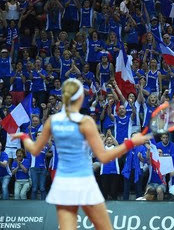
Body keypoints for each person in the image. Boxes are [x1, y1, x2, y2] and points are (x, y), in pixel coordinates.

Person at [11, 78, 150, 229]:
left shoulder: (53, 121)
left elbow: (35, 149)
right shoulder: (87, 122)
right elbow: (103, 156)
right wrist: (130, 143)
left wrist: (24, 137)